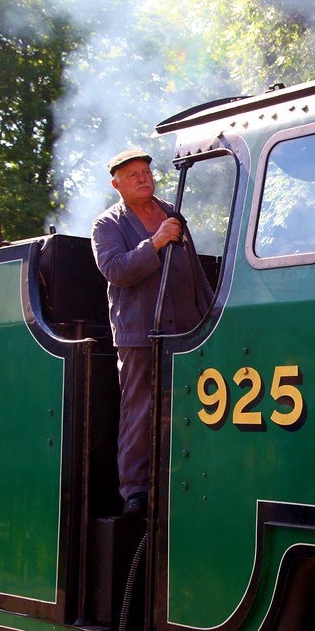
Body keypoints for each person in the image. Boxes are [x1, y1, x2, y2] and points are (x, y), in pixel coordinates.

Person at [91, 149, 213, 515]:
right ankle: (135, 491)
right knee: (140, 410)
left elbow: (194, 273)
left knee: (192, 405)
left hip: (187, 332)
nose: (143, 178)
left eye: (146, 171)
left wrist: (212, 314)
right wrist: (156, 241)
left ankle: (187, 478)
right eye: (133, 175)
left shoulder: (174, 215)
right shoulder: (107, 225)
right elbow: (116, 270)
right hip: (139, 334)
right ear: (117, 184)